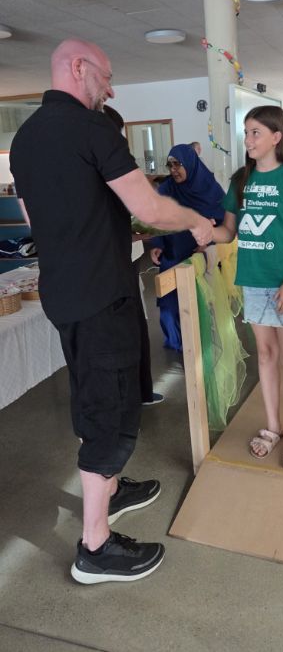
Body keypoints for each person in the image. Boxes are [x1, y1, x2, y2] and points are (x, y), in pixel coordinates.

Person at [9, 39, 213, 585]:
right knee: (111, 410)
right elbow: (149, 207)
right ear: (79, 68)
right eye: (106, 76)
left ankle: (113, 490)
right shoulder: (93, 128)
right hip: (102, 295)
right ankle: (95, 547)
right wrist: (196, 221)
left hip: (63, 294)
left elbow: (33, 217)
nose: (112, 89)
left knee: (89, 393)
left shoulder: (25, 138)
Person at [212, 105, 283, 468]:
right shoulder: (241, 180)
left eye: (256, 132)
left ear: (277, 136)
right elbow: (228, 232)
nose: (248, 139)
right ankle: (273, 426)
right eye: (246, 132)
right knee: (265, 355)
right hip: (254, 281)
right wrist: (203, 230)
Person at [103, 104, 163, 406]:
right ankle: (130, 397)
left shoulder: (110, 166)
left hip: (124, 259)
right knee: (122, 331)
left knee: (134, 325)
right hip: (110, 264)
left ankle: (139, 392)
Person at [150, 144, 225, 351]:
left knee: (198, 303)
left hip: (197, 254)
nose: (174, 170)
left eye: (178, 164)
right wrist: (157, 245)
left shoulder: (209, 188)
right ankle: (177, 344)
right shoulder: (166, 189)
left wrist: (207, 244)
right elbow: (157, 219)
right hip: (172, 252)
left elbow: (224, 223)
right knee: (168, 305)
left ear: (190, 164)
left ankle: (199, 344)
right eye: (170, 165)